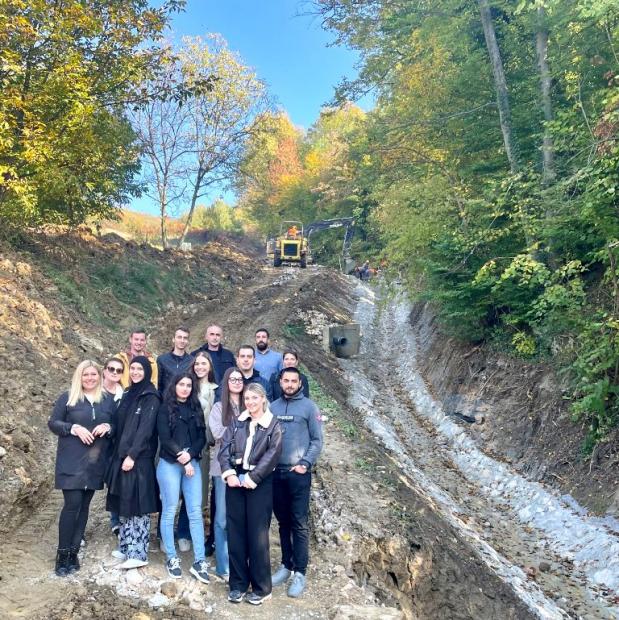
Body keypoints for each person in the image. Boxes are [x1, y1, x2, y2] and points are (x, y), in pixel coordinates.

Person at [48, 360, 115, 576]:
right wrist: (72, 427)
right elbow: (53, 423)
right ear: (80, 376)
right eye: (85, 375)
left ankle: (74, 552)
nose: (90, 378)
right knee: (72, 504)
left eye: (93, 375)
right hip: (71, 461)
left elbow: (117, 425)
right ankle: (62, 554)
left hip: (95, 463)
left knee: (85, 506)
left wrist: (109, 426)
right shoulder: (68, 398)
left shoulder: (107, 400)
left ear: (99, 376)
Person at [218, 383, 282, 605]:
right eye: (247, 398)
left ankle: (262, 588)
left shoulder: (273, 425)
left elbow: (273, 454)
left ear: (263, 399)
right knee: (235, 533)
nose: (250, 402)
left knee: (257, 536)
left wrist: (252, 478)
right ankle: (237, 585)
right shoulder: (237, 423)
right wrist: (229, 474)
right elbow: (224, 449)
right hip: (235, 481)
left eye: (255, 398)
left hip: (259, 483)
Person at [270, 367, 323, 598]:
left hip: (298, 474)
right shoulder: (272, 407)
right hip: (276, 474)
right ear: (280, 382)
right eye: (286, 381)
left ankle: (300, 572)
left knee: (299, 524)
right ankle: (286, 566)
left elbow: (317, 440)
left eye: (294, 381)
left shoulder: (309, 407)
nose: (290, 384)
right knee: (283, 523)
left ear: (300, 383)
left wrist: (305, 463)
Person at [106, 356, 161, 569]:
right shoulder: (128, 393)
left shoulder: (151, 396)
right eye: (134, 368)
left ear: (147, 372)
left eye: (140, 369)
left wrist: (132, 455)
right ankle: (126, 546)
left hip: (138, 459)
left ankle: (138, 552)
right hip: (121, 456)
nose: (136, 372)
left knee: (138, 504)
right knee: (124, 502)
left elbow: (145, 430)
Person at [156, 373, 209, 583]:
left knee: (195, 511)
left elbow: (201, 437)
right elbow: (165, 438)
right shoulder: (165, 408)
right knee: (170, 510)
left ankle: (200, 561)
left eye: (189, 385)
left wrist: (191, 456)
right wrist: (183, 458)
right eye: (181, 385)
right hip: (170, 463)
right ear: (174, 386)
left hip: (192, 463)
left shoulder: (195, 408)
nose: (185, 388)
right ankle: (171, 557)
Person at [175, 351, 218, 554]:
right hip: (178, 447)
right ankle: (166, 533)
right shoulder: (186, 385)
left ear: (209, 366)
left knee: (195, 492)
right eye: (197, 363)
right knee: (173, 490)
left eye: (204, 363)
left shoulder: (215, 390)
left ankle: (184, 532)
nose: (200, 367)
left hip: (201, 448)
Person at [208, 367, 245, 581]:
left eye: (240, 379)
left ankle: (239, 561)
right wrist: (241, 426)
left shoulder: (250, 403)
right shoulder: (218, 408)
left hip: (246, 469)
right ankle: (223, 566)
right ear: (226, 382)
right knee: (222, 518)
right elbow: (218, 434)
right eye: (232, 378)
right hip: (222, 468)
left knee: (240, 518)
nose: (236, 382)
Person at [101, 356, 125, 537]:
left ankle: (116, 520)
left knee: (115, 482)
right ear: (104, 371)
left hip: (114, 444)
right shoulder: (94, 392)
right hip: (92, 445)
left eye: (119, 370)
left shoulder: (123, 395)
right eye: (111, 369)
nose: (115, 373)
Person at [157, 326, 194, 395]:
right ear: (173, 339)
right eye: (179, 337)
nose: (182, 341)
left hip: (185, 401)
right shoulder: (162, 360)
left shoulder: (192, 361)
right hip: (166, 402)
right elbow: (158, 385)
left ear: (188, 341)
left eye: (185, 338)